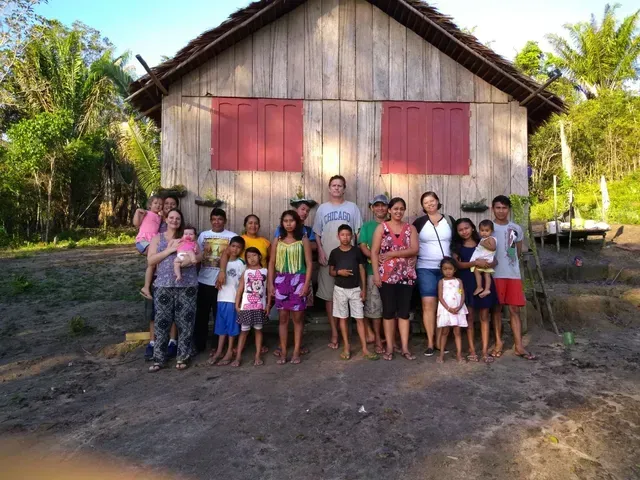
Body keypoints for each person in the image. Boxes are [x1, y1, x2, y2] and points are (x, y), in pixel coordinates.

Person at [146, 209, 201, 372]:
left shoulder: (188, 236)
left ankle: (183, 357)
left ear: (180, 221)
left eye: (177, 218)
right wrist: (169, 250)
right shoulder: (157, 238)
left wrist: (190, 261)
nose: (174, 220)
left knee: (186, 322)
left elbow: (200, 256)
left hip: (187, 285)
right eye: (171, 217)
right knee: (162, 322)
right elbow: (151, 260)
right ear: (166, 219)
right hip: (163, 285)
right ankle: (159, 358)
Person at [313, 176, 363, 350]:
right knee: (329, 297)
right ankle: (334, 333)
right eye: (333, 185)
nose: (336, 188)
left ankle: (347, 332)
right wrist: (320, 251)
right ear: (329, 188)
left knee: (349, 296)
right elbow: (317, 234)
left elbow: (357, 233)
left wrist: (357, 256)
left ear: (344, 188)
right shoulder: (323, 208)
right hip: (329, 259)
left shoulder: (352, 208)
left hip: (348, 259)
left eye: (340, 185)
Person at [371, 197, 419, 361]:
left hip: (406, 275)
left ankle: (404, 347)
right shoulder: (381, 228)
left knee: (404, 312)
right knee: (389, 311)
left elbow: (415, 249)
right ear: (390, 210)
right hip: (386, 276)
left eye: (401, 209)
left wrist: (392, 254)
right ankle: (390, 347)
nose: (398, 211)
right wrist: (376, 274)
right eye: (395, 208)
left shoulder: (410, 228)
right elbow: (374, 252)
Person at [490, 195, 536, 360]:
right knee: (496, 309)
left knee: (514, 310)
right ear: (493, 209)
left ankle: (519, 345)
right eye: (498, 208)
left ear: (508, 209)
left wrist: (510, 263)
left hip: (512, 275)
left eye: (504, 208)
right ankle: (498, 343)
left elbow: (517, 252)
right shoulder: (489, 228)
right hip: (494, 274)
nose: (501, 211)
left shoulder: (516, 229)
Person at [272, 198, 317, 359]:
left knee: (298, 318)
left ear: (297, 222)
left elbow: (309, 264)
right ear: (282, 223)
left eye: (291, 221)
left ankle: (297, 350)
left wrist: (305, 285)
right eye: (285, 221)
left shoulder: (303, 239)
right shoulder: (278, 240)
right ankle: (284, 351)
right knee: (283, 318)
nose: (289, 224)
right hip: (281, 281)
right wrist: (270, 285)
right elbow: (271, 263)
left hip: (299, 281)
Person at [413, 191, 455, 357]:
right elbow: (411, 242)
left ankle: (440, 342)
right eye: (426, 202)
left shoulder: (449, 221)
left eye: (432, 201)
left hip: (447, 269)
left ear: (438, 201)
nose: (430, 204)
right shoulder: (419, 223)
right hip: (425, 267)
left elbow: (456, 243)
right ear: (423, 206)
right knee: (428, 304)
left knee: (443, 305)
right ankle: (430, 342)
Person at [452, 218, 498, 363]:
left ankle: (484, 351)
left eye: (466, 228)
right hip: (467, 283)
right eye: (460, 230)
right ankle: (472, 350)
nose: (464, 231)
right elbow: (457, 265)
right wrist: (475, 263)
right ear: (457, 232)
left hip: (484, 282)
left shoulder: (483, 241)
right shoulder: (457, 247)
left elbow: (495, 259)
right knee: (470, 318)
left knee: (484, 316)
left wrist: (489, 263)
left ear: (472, 228)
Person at [194, 208, 238, 354]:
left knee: (219, 316)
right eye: (214, 219)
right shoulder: (203, 236)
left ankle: (216, 346)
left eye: (220, 219)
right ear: (210, 220)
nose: (216, 222)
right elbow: (197, 256)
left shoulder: (232, 236)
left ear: (225, 221)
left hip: (223, 284)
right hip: (204, 281)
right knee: (202, 315)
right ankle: (199, 345)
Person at [329, 224, 375, 360]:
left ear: (352, 237)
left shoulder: (357, 251)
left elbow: (362, 269)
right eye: (342, 235)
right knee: (343, 318)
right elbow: (331, 272)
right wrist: (339, 272)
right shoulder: (334, 253)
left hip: (355, 289)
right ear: (338, 236)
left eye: (348, 235)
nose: (345, 237)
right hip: (340, 290)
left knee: (359, 318)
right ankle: (346, 347)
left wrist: (364, 289)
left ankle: (365, 348)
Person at [142, 195, 179, 360]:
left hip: (173, 275)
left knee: (173, 312)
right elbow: (144, 237)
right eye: (167, 203)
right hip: (157, 274)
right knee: (155, 312)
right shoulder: (155, 221)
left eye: (173, 204)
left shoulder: (178, 226)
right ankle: (153, 342)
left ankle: (172, 341)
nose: (169, 206)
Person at [358, 194, 389, 354]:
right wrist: (376, 258)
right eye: (377, 205)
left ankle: (391, 340)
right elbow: (363, 246)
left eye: (383, 205)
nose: (380, 208)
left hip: (392, 272)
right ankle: (377, 339)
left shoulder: (393, 224)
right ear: (372, 208)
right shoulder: (367, 226)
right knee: (375, 308)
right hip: (372, 271)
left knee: (390, 307)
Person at [209, 236, 246, 366]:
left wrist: (239, 300)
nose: (235, 249)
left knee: (232, 327)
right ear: (229, 246)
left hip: (232, 299)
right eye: (233, 246)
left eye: (238, 247)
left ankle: (230, 351)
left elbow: (242, 283)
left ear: (242, 250)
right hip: (221, 298)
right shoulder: (223, 262)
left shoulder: (241, 263)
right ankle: (219, 351)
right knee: (221, 327)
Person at [233, 247, 270, 367]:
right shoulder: (246, 272)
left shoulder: (265, 271)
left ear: (259, 256)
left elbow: (269, 290)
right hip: (246, 306)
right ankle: (238, 357)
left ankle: (258, 355)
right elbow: (240, 290)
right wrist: (237, 304)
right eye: (248, 257)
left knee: (258, 330)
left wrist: (268, 305)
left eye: (254, 255)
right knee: (244, 331)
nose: (252, 259)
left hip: (260, 306)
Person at [436, 257, 468, 364]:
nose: (448, 271)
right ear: (441, 270)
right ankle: (441, 355)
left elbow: (462, 294)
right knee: (444, 332)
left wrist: (459, 306)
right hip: (446, 310)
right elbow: (440, 297)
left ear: (455, 269)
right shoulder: (441, 282)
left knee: (457, 332)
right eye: (445, 269)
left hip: (458, 309)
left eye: (450, 269)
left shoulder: (458, 281)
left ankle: (459, 355)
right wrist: (448, 308)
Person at [134, 195, 164, 300]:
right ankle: (147, 286)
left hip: (152, 243)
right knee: (153, 261)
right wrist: (137, 212)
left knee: (153, 263)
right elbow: (136, 223)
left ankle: (147, 287)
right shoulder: (146, 213)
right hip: (142, 241)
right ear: (150, 205)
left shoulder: (160, 217)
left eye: (160, 204)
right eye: (155, 203)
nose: (158, 205)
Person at [470, 220, 497, 298]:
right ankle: (486, 289)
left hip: (486, 259)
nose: (484, 233)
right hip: (485, 259)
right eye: (482, 230)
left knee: (477, 270)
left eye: (487, 231)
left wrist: (483, 244)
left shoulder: (490, 239)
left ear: (492, 231)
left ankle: (480, 287)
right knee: (486, 274)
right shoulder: (483, 239)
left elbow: (493, 248)